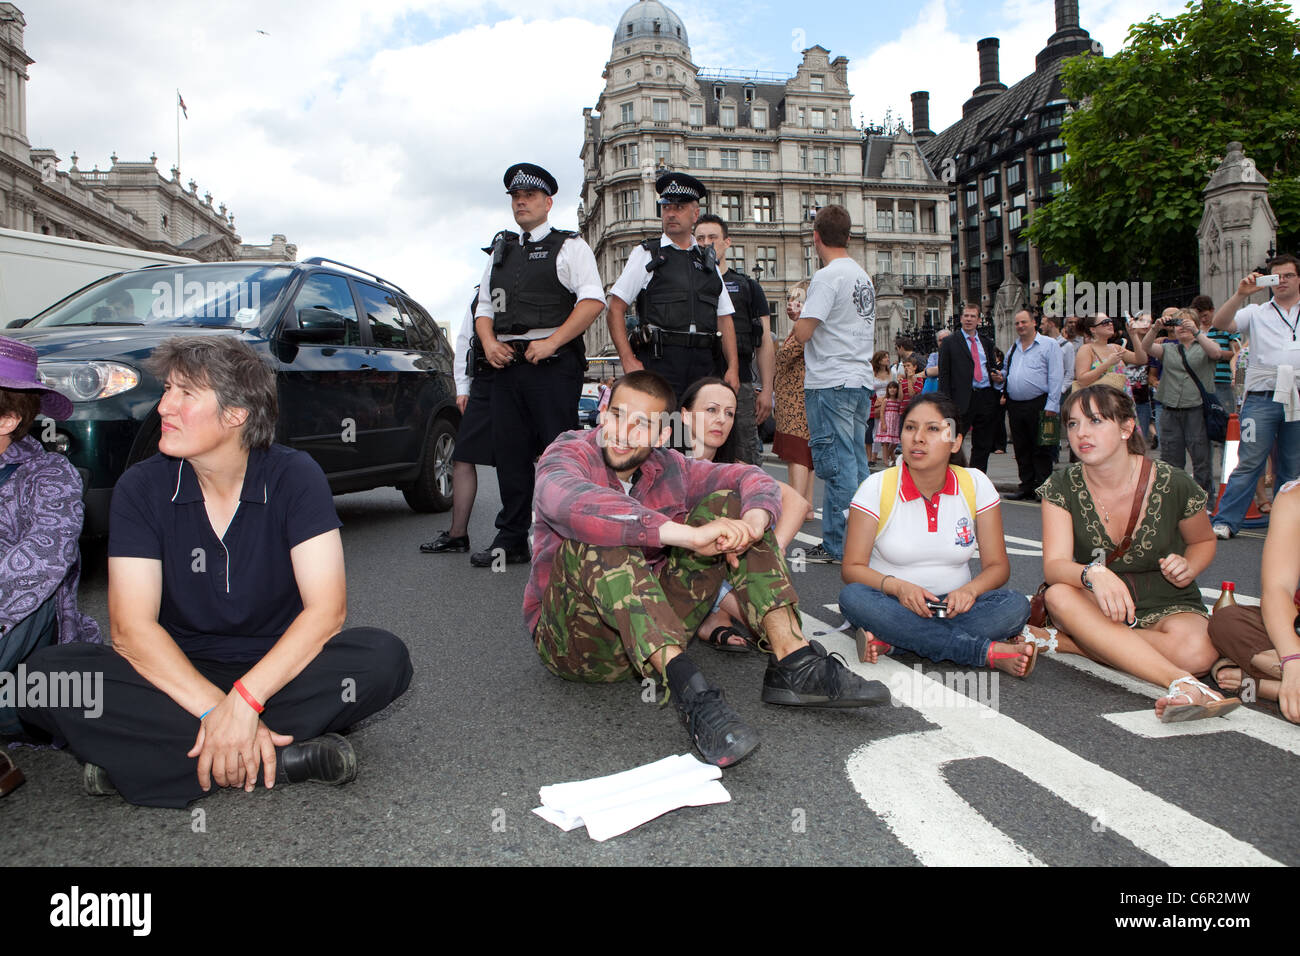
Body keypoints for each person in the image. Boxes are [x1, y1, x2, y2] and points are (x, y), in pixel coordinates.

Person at [17, 337, 413, 807]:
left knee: (383, 657)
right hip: (175, 674)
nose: (164, 406)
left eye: (185, 394)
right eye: (167, 390)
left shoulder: (294, 476)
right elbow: (130, 630)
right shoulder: (141, 487)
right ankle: (281, 760)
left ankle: (145, 761)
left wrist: (245, 701)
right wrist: (215, 709)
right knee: (45, 677)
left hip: (278, 672)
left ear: (236, 414)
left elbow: (326, 612)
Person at [526, 370, 889, 768]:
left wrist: (751, 524)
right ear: (602, 414)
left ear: (663, 436)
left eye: (641, 423)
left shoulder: (673, 468)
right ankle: (693, 695)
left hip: (652, 633)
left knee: (728, 506)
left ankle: (794, 663)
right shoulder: (569, 451)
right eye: (616, 415)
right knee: (601, 533)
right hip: (575, 644)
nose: (621, 432)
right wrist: (684, 535)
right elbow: (563, 499)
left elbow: (751, 477)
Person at [1038, 384, 1236, 723]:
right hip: (1096, 601)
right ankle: (1181, 682)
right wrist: (1093, 573)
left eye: (1096, 421)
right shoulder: (1060, 486)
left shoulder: (1173, 481)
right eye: (1072, 424)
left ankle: (1075, 641)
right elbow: (1055, 566)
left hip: (1166, 597)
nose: (1081, 433)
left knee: (1199, 652)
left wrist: (1189, 565)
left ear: (1127, 427)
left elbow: (1203, 541)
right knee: (1058, 596)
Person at [839, 392, 1035, 675]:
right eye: (910, 427)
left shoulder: (975, 483)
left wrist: (970, 591)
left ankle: (896, 641)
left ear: (955, 441)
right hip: (893, 603)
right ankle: (985, 652)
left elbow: (998, 567)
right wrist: (899, 588)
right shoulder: (876, 487)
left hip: (957, 606)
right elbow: (852, 569)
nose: (918, 438)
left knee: (1015, 605)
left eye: (932, 429)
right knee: (853, 597)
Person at [470, 163, 606, 567]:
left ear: (548, 202)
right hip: (506, 364)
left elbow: (593, 300)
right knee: (509, 454)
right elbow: (482, 307)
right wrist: (489, 341)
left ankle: (565, 536)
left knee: (557, 453)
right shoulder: (499, 252)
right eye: (515, 197)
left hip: (552, 364)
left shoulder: (570, 246)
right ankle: (511, 536)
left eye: (529, 196)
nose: (521, 202)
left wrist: (551, 343)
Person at [0, 337, 101, 794]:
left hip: (20, 643)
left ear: (8, 419)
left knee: (35, 582)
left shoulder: (47, 477)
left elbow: (41, 561)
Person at [678, 377, 809, 651]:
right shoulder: (664, 465)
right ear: (685, 416)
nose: (721, 420)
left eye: (729, 413)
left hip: (731, 564)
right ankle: (736, 617)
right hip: (677, 571)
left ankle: (720, 618)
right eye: (711, 410)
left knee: (750, 524)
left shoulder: (735, 467)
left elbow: (796, 501)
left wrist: (773, 547)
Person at [606, 172, 739, 405]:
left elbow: (725, 318)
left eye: (679, 207)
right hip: (660, 361)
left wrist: (733, 369)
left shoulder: (708, 262)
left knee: (697, 436)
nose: (671, 213)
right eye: (666, 207)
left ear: (695, 214)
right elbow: (615, 308)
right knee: (663, 434)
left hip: (705, 363)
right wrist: (627, 359)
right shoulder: (647, 253)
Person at [793, 204, 878, 564]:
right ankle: (862, 539)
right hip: (858, 379)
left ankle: (841, 544)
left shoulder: (827, 278)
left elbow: (803, 333)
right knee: (857, 463)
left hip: (831, 381)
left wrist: (799, 316)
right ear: (848, 236)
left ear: (816, 237)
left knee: (837, 465)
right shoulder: (862, 276)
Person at [1210, 254, 1300, 539]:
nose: (1282, 281)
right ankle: (1225, 520)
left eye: (1288, 275)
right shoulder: (1257, 312)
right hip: (1262, 397)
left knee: (1293, 464)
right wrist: (1240, 294)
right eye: (1276, 277)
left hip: (1297, 396)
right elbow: (1220, 323)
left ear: (1298, 278)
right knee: (1249, 460)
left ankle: (1287, 521)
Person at [1208, 476, 1300, 720]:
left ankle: (1265, 685)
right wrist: (1293, 659)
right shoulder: (1294, 497)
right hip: (1297, 630)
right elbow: (1278, 588)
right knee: (1228, 621)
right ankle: (1288, 677)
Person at [693, 214, 774, 465]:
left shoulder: (748, 287)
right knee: (700, 454)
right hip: (699, 378)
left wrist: (767, 391)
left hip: (741, 384)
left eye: (712, 238)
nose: (706, 243)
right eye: (700, 238)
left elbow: (765, 343)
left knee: (745, 454)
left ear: (727, 242)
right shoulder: (688, 283)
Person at [420, 288, 490, 554]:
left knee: (515, 460)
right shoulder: (483, 290)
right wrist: (462, 386)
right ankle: (457, 533)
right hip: (484, 380)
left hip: (524, 376)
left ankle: (515, 535)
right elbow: (465, 340)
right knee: (464, 455)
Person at [1140, 307, 1223, 494]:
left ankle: (1204, 499)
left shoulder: (1204, 345)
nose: (1181, 327)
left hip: (1197, 408)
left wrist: (1196, 332)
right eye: (1178, 323)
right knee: (1171, 459)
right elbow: (1146, 348)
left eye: (1186, 322)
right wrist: (1155, 329)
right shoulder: (1168, 348)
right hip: (1170, 409)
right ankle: (1174, 499)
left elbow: (1216, 353)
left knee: (1201, 458)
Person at [1002, 309, 1064, 501]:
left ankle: (1042, 487)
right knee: (1021, 448)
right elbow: (1007, 371)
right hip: (1016, 405)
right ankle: (1026, 486)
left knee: (1041, 448)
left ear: (1033, 322)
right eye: (1017, 323)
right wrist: (1000, 377)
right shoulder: (1013, 348)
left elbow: (1056, 376)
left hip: (1040, 403)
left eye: (1024, 322)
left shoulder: (1049, 345)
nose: (1020, 326)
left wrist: (1052, 405)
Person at [938, 303, 1001, 474]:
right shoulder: (950, 342)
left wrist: (996, 376)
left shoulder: (987, 342)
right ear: (960, 319)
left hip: (985, 397)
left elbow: (991, 367)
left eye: (973, 316)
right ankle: (952, 474)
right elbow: (944, 375)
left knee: (983, 443)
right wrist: (945, 403)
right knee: (953, 441)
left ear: (979, 320)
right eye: (966, 316)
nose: (969, 319)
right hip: (960, 399)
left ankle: (976, 478)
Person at [772, 280, 815, 517]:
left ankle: (796, 504)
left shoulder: (803, 329)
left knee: (797, 453)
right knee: (805, 455)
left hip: (796, 400)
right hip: (797, 398)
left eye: (797, 298)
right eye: (791, 298)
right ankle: (806, 505)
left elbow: (784, 357)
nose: (791, 303)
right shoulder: (802, 327)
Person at [1074, 312, 1147, 394]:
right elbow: (1082, 380)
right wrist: (1107, 363)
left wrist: (1133, 335)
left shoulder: (1115, 348)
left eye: (1110, 321)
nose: (1110, 324)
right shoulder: (1086, 349)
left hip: (1123, 401)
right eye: (1105, 322)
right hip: (1103, 402)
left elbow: (1142, 360)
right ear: (1093, 329)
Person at [1193, 294, 1239, 416]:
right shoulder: (1194, 331)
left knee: (1225, 417)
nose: (1203, 320)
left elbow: (1238, 354)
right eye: (1199, 317)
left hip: (1223, 381)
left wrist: (1216, 353)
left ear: (1212, 310)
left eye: (1205, 315)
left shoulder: (1227, 327)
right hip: (1199, 381)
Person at [868, 350, 892, 467]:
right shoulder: (872, 373)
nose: (887, 359)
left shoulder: (891, 372)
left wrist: (886, 397)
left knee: (887, 428)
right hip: (876, 402)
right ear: (879, 360)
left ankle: (887, 455)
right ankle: (873, 455)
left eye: (888, 357)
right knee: (876, 429)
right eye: (884, 357)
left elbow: (894, 386)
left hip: (888, 401)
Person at [874, 380, 902, 465]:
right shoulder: (886, 400)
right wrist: (883, 423)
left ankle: (891, 456)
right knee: (886, 442)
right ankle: (886, 461)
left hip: (895, 423)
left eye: (894, 388)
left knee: (895, 442)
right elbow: (882, 412)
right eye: (890, 388)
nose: (892, 389)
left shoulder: (898, 400)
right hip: (887, 422)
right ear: (887, 389)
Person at [923, 328, 950, 394]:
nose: (943, 342)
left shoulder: (957, 354)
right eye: (940, 340)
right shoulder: (933, 356)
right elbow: (929, 372)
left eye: (945, 339)